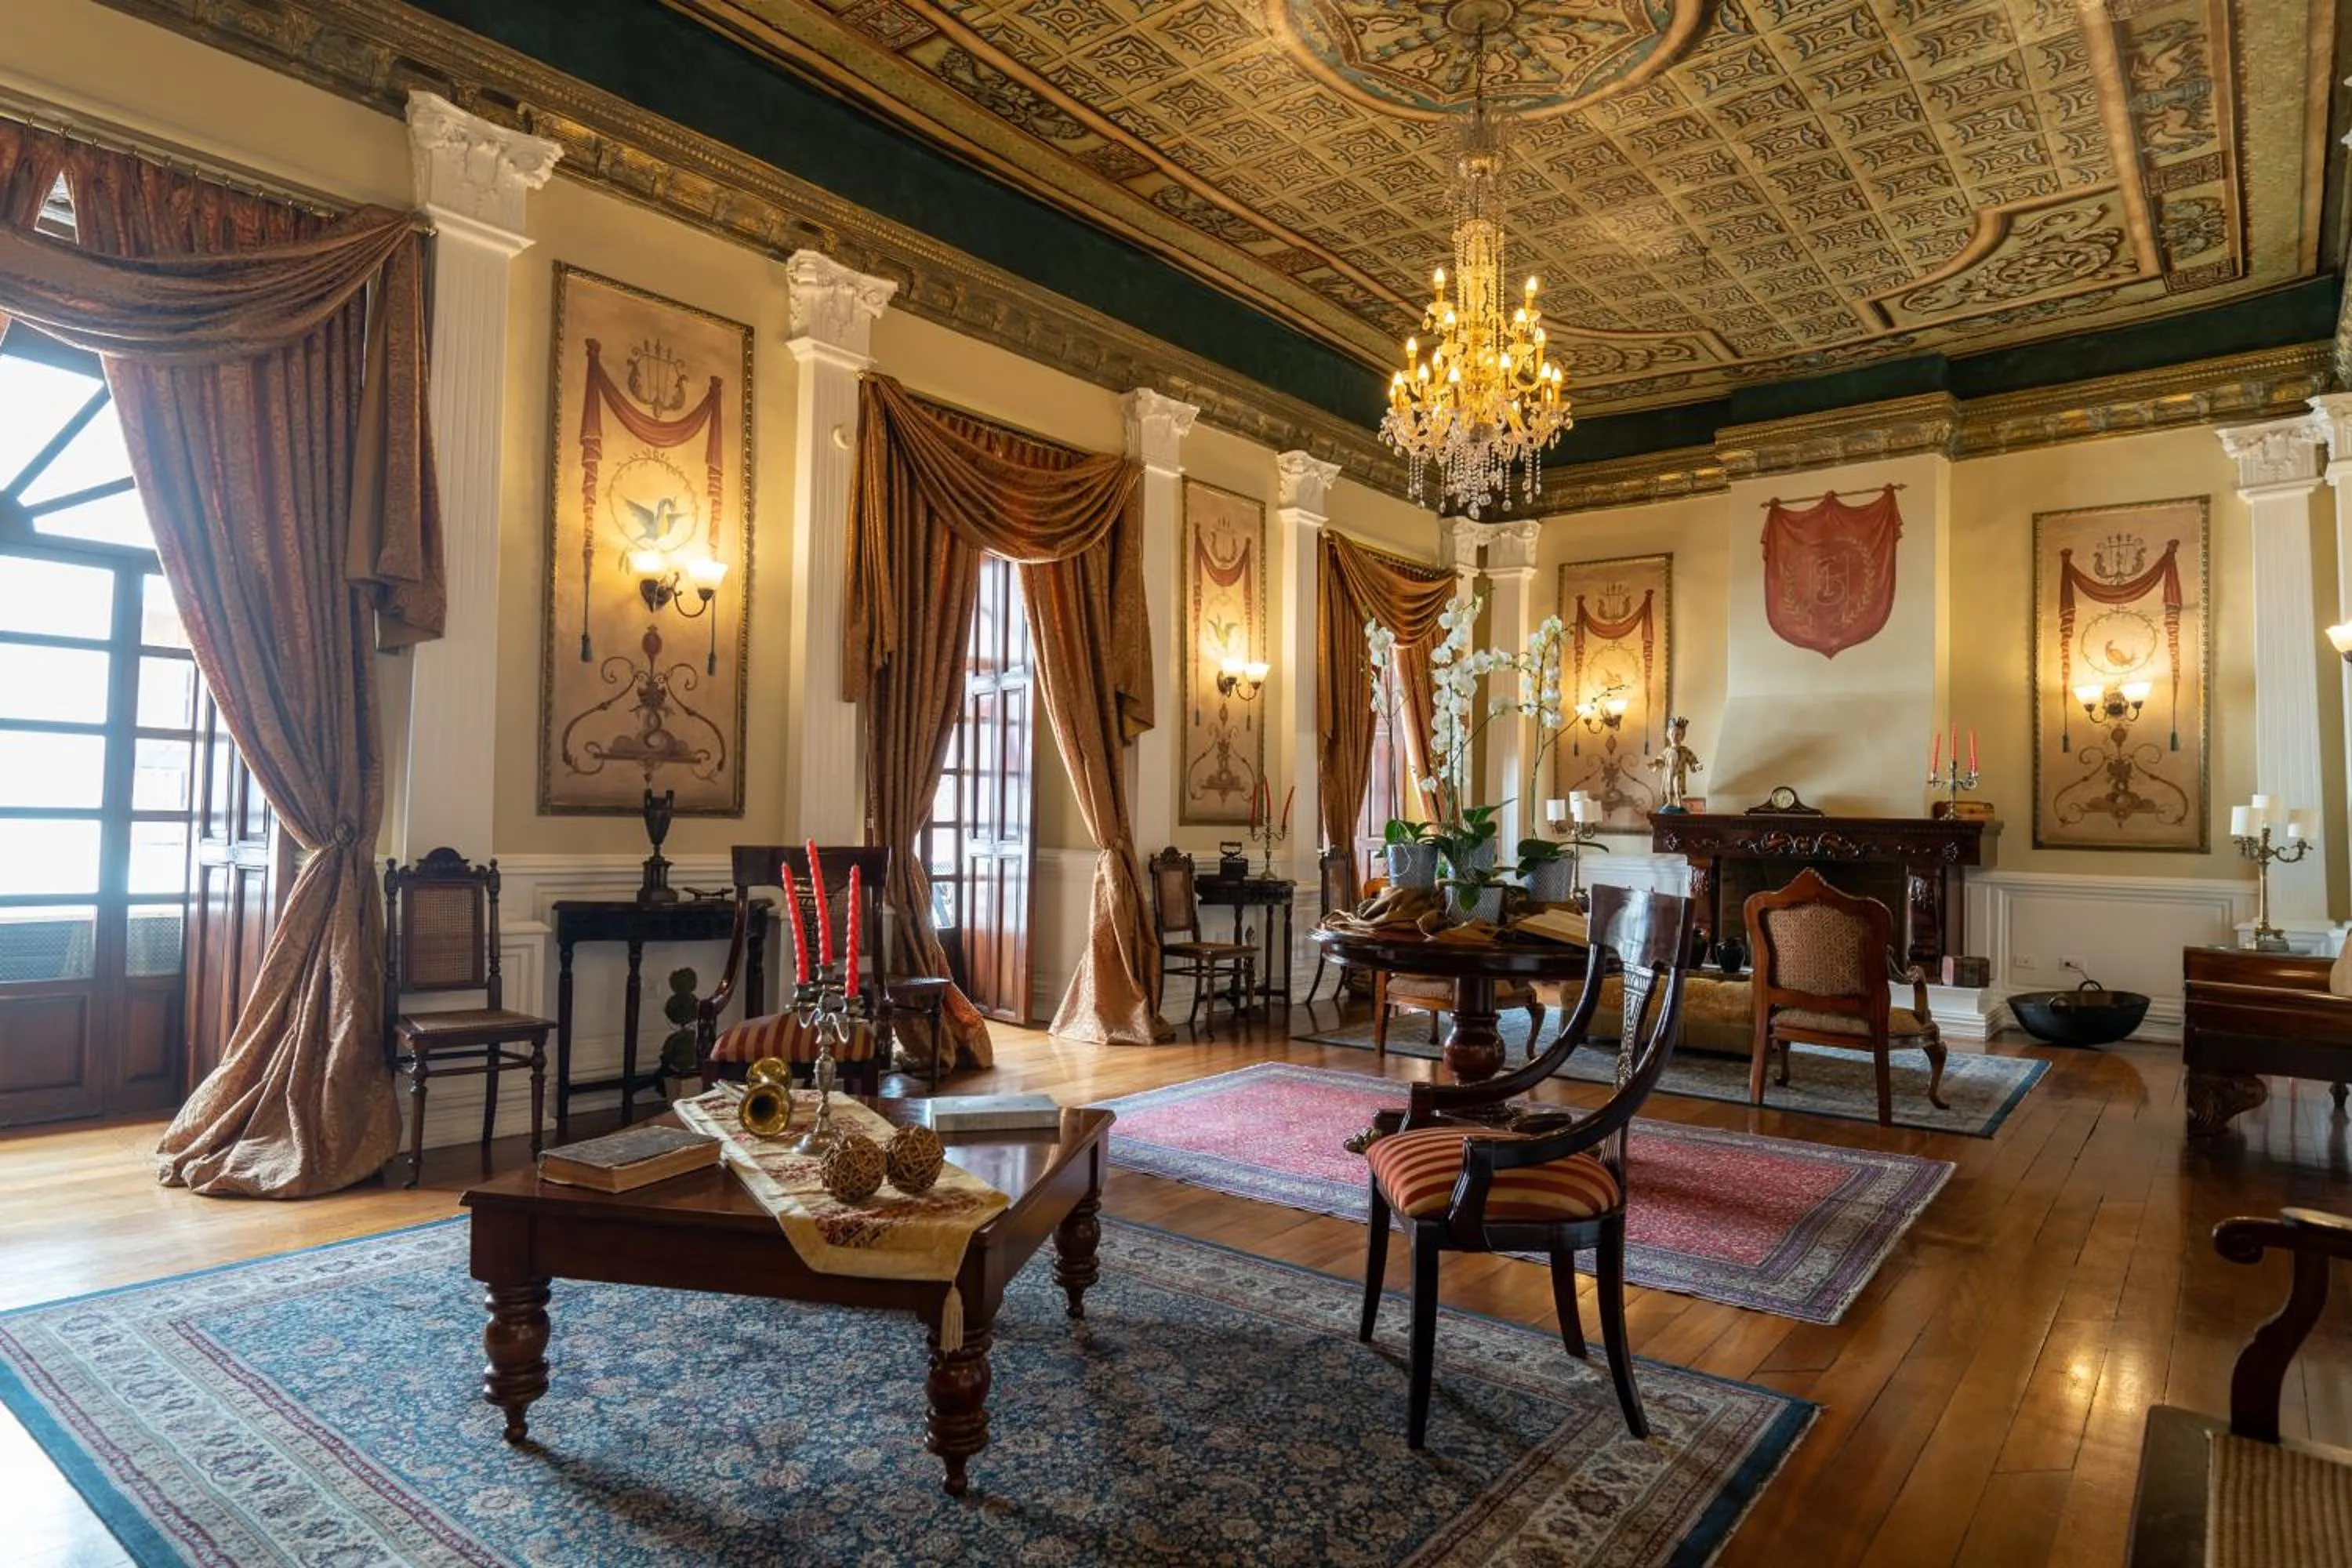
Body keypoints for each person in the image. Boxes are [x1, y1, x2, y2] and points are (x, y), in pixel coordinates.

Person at [1649, 715, 1702, 811]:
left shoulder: (1684, 750)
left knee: (1677, 788)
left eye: (1678, 734)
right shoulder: (1667, 751)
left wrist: (1696, 765)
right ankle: (1669, 802)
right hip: (1669, 774)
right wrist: (1656, 764)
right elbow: (1661, 759)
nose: (1675, 736)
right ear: (1669, 735)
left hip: (1678, 773)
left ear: (1682, 736)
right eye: (1672, 734)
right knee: (1669, 788)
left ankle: (1679, 803)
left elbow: (1692, 759)